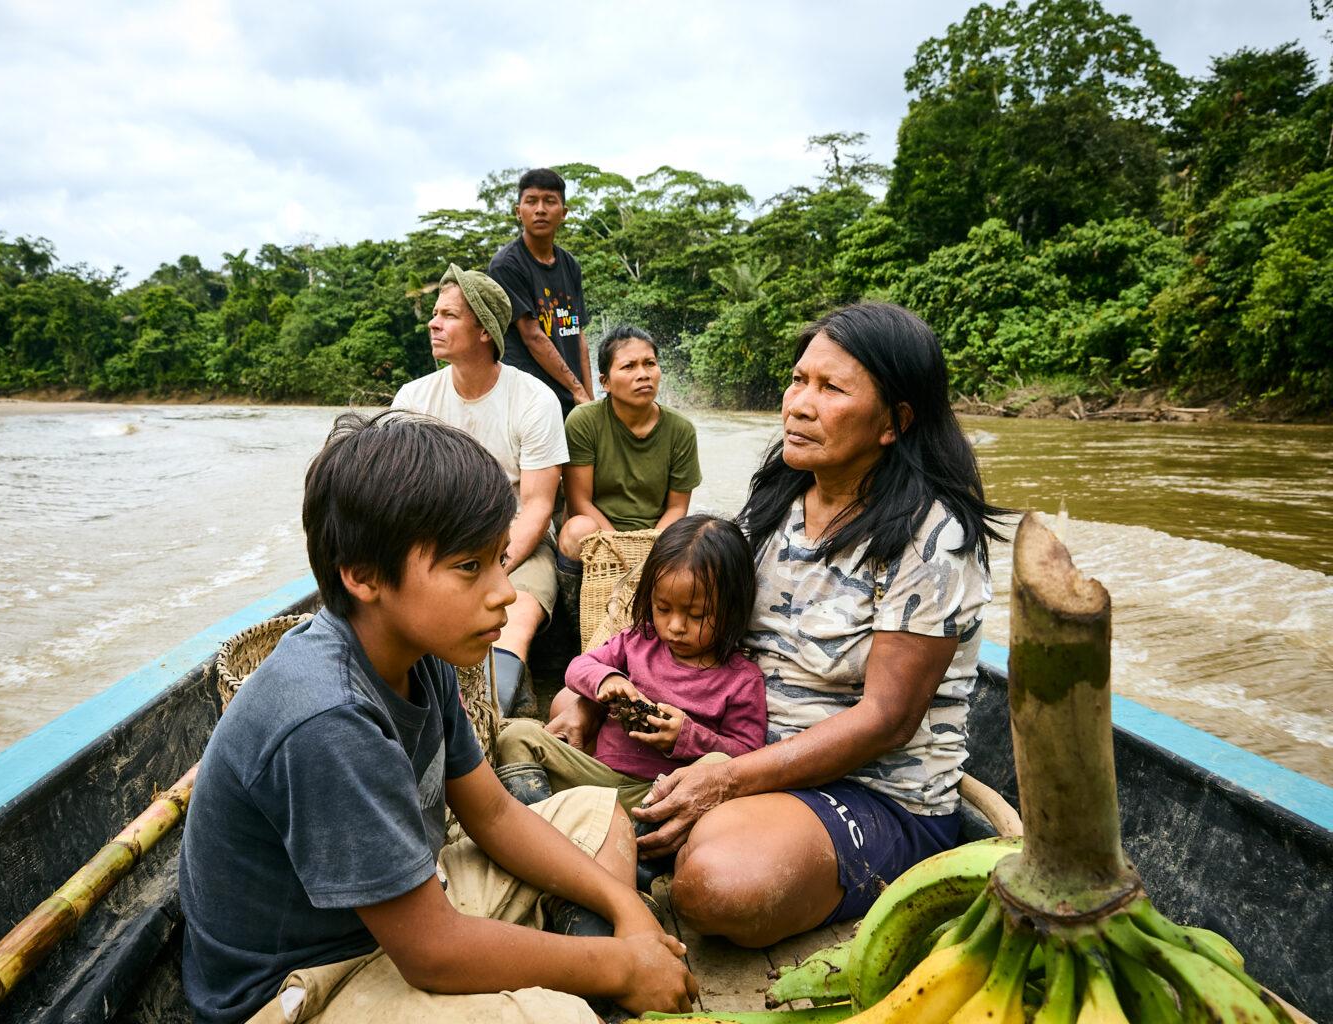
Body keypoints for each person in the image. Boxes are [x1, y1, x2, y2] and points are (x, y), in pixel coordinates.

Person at [178, 411, 697, 1024]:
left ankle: (582, 954)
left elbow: (496, 814)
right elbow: (431, 952)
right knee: (560, 1019)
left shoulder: (420, 656)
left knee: (598, 813)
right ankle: (586, 975)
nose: (504, 590)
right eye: (469, 567)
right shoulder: (328, 718)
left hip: (405, 915)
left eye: (500, 560)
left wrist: (625, 907)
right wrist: (625, 966)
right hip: (309, 981)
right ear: (364, 576)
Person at [548, 303, 1005, 948]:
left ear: (894, 422)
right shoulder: (777, 502)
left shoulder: (932, 540)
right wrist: (586, 690)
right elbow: (696, 633)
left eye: (831, 389)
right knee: (542, 758)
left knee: (717, 885)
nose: (797, 404)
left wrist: (728, 779)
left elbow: (888, 721)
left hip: (870, 793)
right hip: (735, 749)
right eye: (797, 380)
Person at [496, 516, 766, 814]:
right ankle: (536, 817)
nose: (675, 626)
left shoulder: (742, 680)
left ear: (733, 609)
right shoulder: (639, 641)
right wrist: (608, 679)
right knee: (517, 736)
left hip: (661, 796)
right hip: (595, 779)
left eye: (696, 615)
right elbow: (578, 668)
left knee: (719, 763)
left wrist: (688, 737)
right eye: (663, 608)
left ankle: (602, 829)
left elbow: (747, 757)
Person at [392, 264, 567, 705]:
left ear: (485, 330)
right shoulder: (413, 400)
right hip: (434, 542)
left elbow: (538, 507)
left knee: (518, 612)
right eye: (436, 313)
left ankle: (492, 713)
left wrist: (485, 567)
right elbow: (396, 498)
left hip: (514, 543)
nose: (433, 323)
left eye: (448, 315)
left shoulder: (533, 399)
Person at [555, 325, 701, 593]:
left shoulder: (681, 430)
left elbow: (677, 509)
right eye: (628, 367)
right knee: (576, 529)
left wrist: (651, 550)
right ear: (605, 382)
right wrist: (619, 549)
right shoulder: (584, 421)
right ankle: (574, 621)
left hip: (657, 537)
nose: (643, 374)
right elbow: (579, 502)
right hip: (598, 532)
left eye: (650, 363)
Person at [488, 168, 592, 422]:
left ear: (563, 213)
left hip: (571, 399)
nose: (540, 209)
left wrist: (590, 400)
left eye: (550, 201)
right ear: (518, 211)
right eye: (531, 201)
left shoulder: (570, 265)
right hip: (529, 400)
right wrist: (578, 390)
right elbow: (533, 336)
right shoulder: (506, 265)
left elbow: (577, 334)